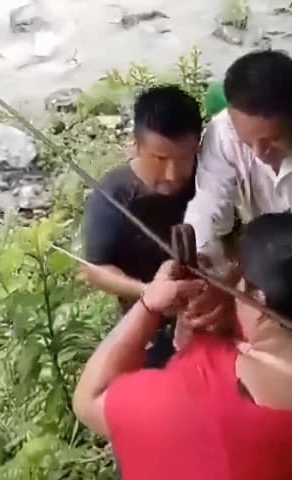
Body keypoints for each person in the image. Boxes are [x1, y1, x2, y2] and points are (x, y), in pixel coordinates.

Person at [72, 212, 292, 480]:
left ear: (257, 298)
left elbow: (90, 398)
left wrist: (148, 305)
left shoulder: (191, 398)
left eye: (238, 279)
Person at [80, 84, 202, 369]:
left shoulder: (209, 177)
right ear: (135, 145)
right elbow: (95, 270)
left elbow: (233, 234)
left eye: (184, 158)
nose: (173, 174)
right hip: (149, 316)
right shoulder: (114, 195)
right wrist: (149, 292)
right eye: (160, 159)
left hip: (206, 305)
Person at [183, 49, 292, 269]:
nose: (259, 152)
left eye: (273, 140)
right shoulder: (224, 132)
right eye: (247, 141)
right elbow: (208, 203)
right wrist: (200, 256)